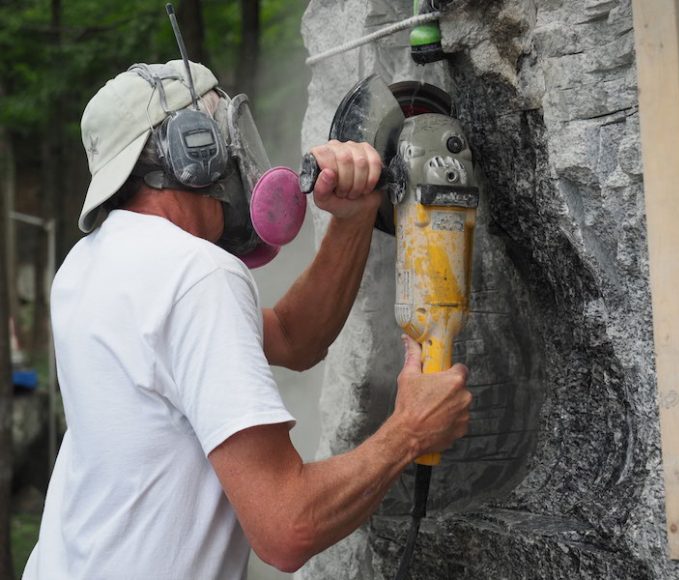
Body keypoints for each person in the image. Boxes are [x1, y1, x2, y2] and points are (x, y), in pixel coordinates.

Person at [23, 61, 471, 579]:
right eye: (227, 135)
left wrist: (352, 218)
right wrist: (410, 432)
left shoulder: (87, 265)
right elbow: (287, 528)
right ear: (195, 150)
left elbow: (291, 338)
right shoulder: (196, 274)